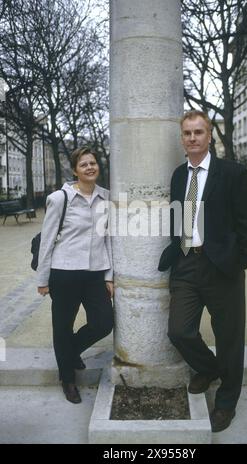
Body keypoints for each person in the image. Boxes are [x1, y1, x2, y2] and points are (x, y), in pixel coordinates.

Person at [159, 110, 247, 432]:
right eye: (187, 133)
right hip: (187, 263)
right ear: (182, 138)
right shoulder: (178, 175)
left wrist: (238, 261)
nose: (192, 138)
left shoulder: (232, 173)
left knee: (229, 337)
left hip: (222, 268)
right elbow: (177, 218)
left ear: (209, 136)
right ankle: (209, 367)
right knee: (179, 330)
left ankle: (226, 402)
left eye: (198, 132)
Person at [37, 147, 114, 404]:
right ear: (74, 170)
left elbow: (109, 240)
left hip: (94, 273)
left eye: (93, 163)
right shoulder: (60, 198)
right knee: (62, 326)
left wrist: (109, 275)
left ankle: (69, 353)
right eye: (84, 164)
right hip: (64, 273)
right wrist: (43, 279)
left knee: (104, 322)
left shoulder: (106, 198)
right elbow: (48, 240)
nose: (90, 167)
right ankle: (67, 379)